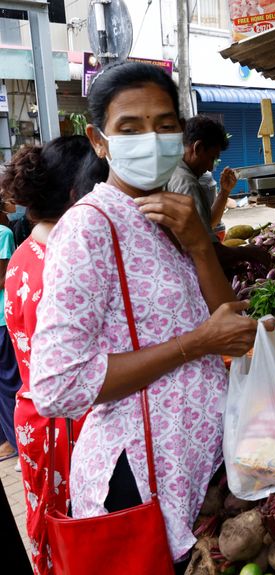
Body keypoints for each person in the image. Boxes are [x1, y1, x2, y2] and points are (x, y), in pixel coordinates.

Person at [29, 61, 259, 573]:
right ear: (99, 140)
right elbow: (57, 386)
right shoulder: (87, 230)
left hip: (197, 465)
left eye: (164, 124)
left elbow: (229, 331)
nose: (150, 140)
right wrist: (195, 343)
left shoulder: (169, 214)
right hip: (138, 479)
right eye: (129, 128)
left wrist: (201, 245)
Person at [1, 136, 107, 575]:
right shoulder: (64, 266)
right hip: (69, 429)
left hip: (35, 422)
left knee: (60, 541)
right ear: (74, 195)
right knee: (90, 541)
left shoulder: (24, 254)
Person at [168, 115, 271, 274]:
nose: (210, 168)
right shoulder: (186, 183)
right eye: (211, 158)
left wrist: (224, 192)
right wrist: (249, 252)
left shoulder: (173, 170)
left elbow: (207, 225)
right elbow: (208, 252)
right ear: (198, 148)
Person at [0, 207, 22, 465]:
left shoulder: (3, 233)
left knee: (11, 385)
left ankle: (19, 444)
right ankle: (10, 443)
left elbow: (4, 278)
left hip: (4, 321)